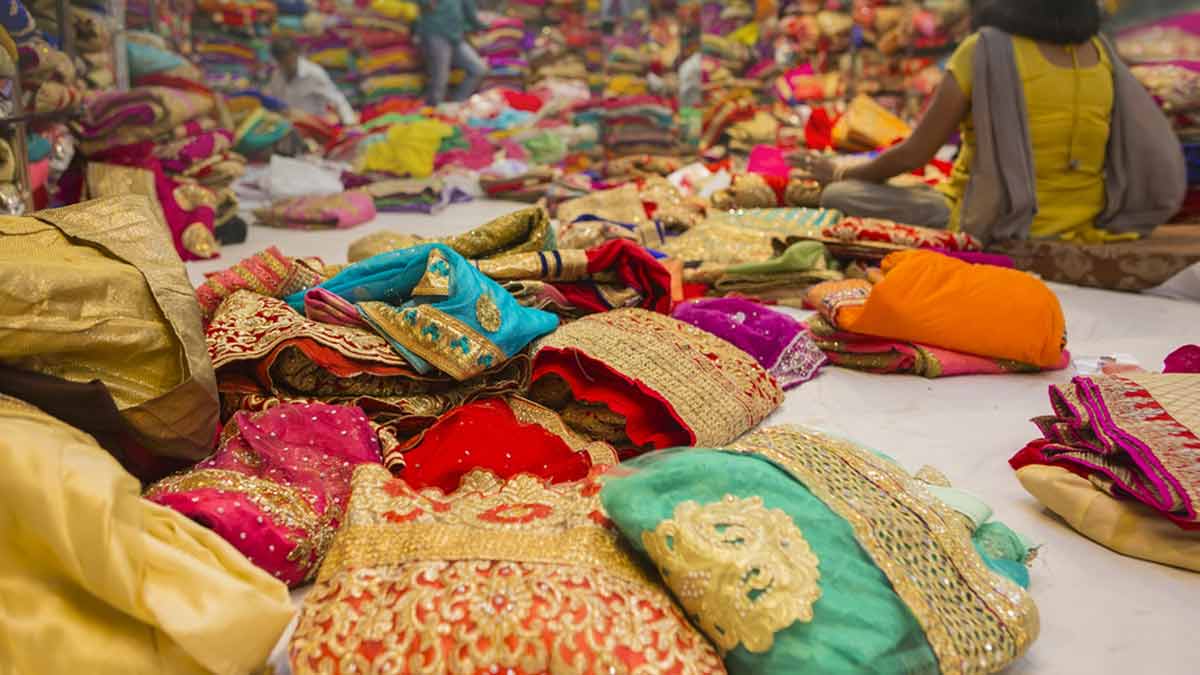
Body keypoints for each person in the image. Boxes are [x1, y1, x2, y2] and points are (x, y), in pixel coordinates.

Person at [795, 0, 1185, 244]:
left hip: (994, 217)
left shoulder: (985, 49)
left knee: (838, 197)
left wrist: (842, 171)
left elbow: (915, 153)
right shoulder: (1099, 52)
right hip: (1085, 217)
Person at [414, 0, 489, 106]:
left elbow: (469, 11)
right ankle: (432, 109)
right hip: (435, 34)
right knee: (440, 77)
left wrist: (483, 26)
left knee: (478, 69)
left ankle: (457, 103)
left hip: (455, 38)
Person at [266, 41, 358, 126]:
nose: (287, 64)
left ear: (296, 54)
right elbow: (275, 101)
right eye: (282, 61)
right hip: (288, 125)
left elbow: (337, 99)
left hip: (314, 126)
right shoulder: (277, 75)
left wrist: (349, 122)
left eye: (289, 59)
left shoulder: (313, 73)